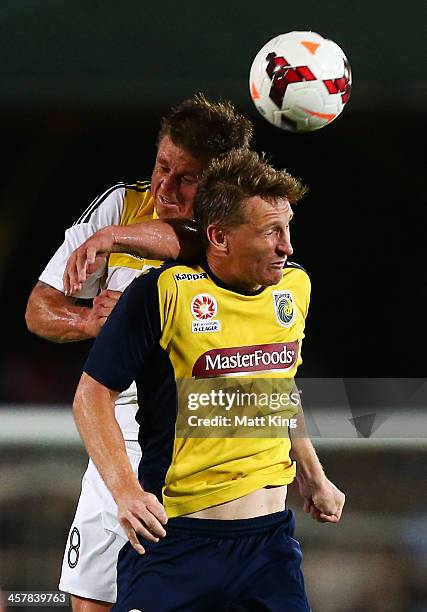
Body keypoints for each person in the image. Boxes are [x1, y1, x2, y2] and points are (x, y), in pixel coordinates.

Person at [73, 149, 345, 612]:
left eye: (287, 228)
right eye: (271, 232)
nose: (287, 247)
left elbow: (277, 386)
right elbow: (90, 396)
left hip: (269, 550)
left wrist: (313, 474)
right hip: (179, 543)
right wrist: (125, 491)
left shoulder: (293, 287)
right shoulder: (164, 292)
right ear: (218, 236)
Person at [25, 94, 253, 612]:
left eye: (186, 178)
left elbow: (186, 240)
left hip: (209, 437)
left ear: (220, 184)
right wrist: (88, 320)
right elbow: (39, 308)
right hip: (121, 435)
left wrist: (113, 239)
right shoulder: (122, 204)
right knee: (88, 602)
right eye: (162, 166)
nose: (165, 188)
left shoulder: (236, 231)